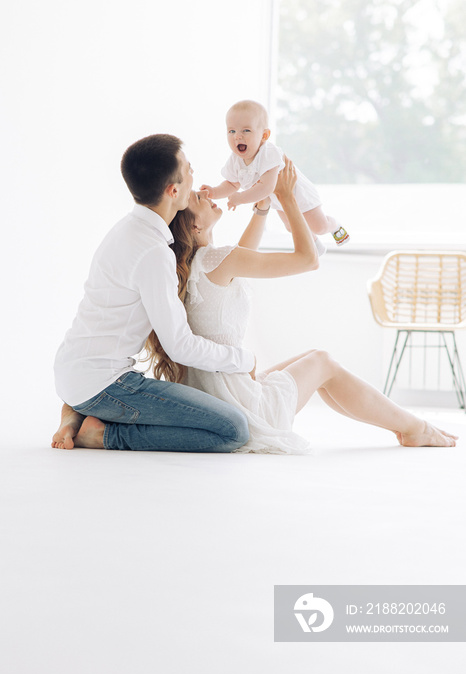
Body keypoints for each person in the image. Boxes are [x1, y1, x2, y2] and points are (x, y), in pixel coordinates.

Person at [145, 157, 457, 453]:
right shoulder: (216, 259)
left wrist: (263, 207)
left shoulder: (189, 265)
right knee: (322, 362)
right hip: (243, 408)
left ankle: (406, 428)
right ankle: (414, 427)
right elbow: (308, 260)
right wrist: (288, 197)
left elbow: (241, 254)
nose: (205, 192)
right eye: (199, 198)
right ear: (195, 227)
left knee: (311, 362)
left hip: (219, 396)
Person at [52, 134, 256, 452]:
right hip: (104, 385)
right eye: (189, 170)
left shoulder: (125, 228)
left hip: (71, 371)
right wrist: (242, 359)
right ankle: (103, 435)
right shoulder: (153, 251)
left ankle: (78, 411)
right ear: (173, 191)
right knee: (234, 430)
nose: (196, 179)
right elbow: (181, 347)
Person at [200, 99, 350, 250]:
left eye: (246, 130)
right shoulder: (235, 160)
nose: (237, 136)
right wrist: (214, 192)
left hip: (298, 194)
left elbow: (266, 187)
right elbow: (231, 184)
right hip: (279, 199)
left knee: (319, 226)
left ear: (264, 135)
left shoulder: (269, 152)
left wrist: (240, 198)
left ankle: (335, 225)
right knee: (292, 227)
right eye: (232, 131)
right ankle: (316, 245)